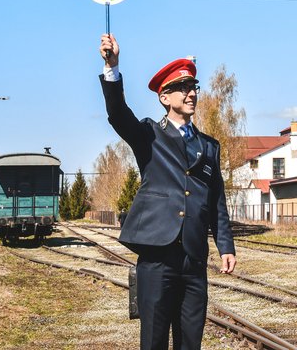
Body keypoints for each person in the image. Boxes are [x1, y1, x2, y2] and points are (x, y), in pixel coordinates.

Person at [99, 34, 236, 350]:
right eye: (183, 88)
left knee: (190, 342)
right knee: (154, 341)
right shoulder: (149, 135)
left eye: (194, 87)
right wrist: (112, 68)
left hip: (194, 259)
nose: (192, 93)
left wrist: (225, 245)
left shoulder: (209, 147)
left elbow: (216, 200)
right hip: (157, 256)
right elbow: (118, 114)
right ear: (164, 96)